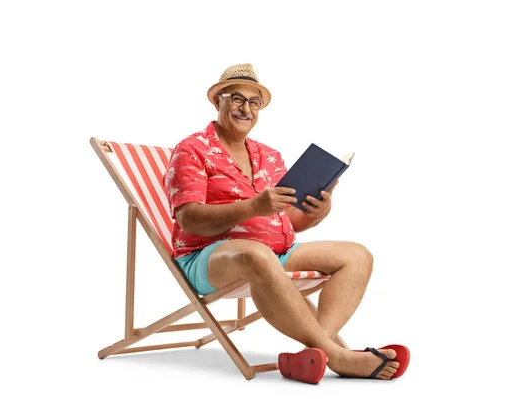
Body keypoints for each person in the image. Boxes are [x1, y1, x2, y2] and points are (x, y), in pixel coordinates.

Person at [163, 63, 408, 382]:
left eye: (254, 102)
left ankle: (316, 352)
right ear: (217, 101)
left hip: (275, 253)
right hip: (208, 257)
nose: (245, 108)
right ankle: (339, 357)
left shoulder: (269, 155)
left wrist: (317, 211)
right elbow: (190, 218)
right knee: (254, 253)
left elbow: (288, 220)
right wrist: (253, 206)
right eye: (237, 98)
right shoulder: (192, 149)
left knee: (356, 255)